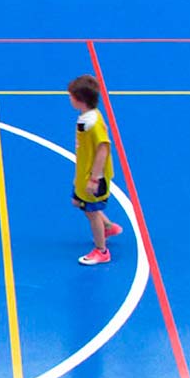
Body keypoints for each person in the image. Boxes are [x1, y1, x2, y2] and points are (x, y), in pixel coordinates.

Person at [67, 75, 122, 266]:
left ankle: (102, 251)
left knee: (91, 212)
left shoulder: (93, 123)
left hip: (93, 176)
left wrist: (95, 178)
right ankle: (107, 226)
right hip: (83, 173)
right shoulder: (86, 117)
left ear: (79, 99)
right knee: (77, 201)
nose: (69, 99)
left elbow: (104, 149)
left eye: (71, 96)